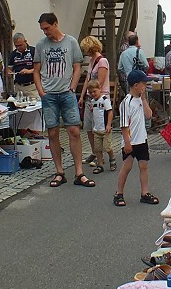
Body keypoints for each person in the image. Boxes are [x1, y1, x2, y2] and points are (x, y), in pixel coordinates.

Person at [34, 13, 95, 188]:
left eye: (47, 28)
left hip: (66, 93)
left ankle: (79, 172)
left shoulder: (71, 42)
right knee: (53, 132)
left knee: (74, 131)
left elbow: (77, 66)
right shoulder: (40, 45)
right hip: (49, 94)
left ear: (55, 24)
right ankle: (59, 171)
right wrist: (41, 91)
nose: (45, 32)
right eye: (42, 29)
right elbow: (36, 70)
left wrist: (72, 87)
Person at [113, 70, 157, 207]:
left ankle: (145, 193)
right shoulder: (126, 102)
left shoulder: (140, 99)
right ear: (136, 85)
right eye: (144, 83)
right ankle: (119, 193)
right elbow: (124, 125)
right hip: (130, 141)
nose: (145, 86)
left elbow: (149, 115)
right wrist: (127, 143)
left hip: (141, 139)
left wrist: (144, 100)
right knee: (127, 167)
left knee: (144, 166)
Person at [78, 36, 110, 169]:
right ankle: (94, 152)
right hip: (90, 98)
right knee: (89, 127)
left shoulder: (102, 61)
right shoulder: (91, 61)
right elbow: (87, 79)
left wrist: (95, 100)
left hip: (99, 99)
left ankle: (100, 155)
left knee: (98, 128)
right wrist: (82, 96)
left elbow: (99, 83)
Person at [84, 79, 115, 173]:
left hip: (105, 129)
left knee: (107, 147)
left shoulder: (105, 100)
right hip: (97, 129)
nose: (93, 94)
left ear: (99, 89)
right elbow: (96, 111)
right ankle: (100, 164)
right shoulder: (93, 101)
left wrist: (109, 125)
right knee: (97, 148)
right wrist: (92, 109)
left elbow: (110, 112)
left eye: (94, 91)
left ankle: (112, 158)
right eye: (90, 92)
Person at [7, 32, 37, 99]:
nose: (18, 48)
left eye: (20, 45)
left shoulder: (33, 51)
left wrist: (29, 71)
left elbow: (39, 68)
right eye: (16, 46)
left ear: (25, 41)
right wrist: (9, 73)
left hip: (31, 86)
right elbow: (9, 68)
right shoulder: (13, 54)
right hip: (18, 86)